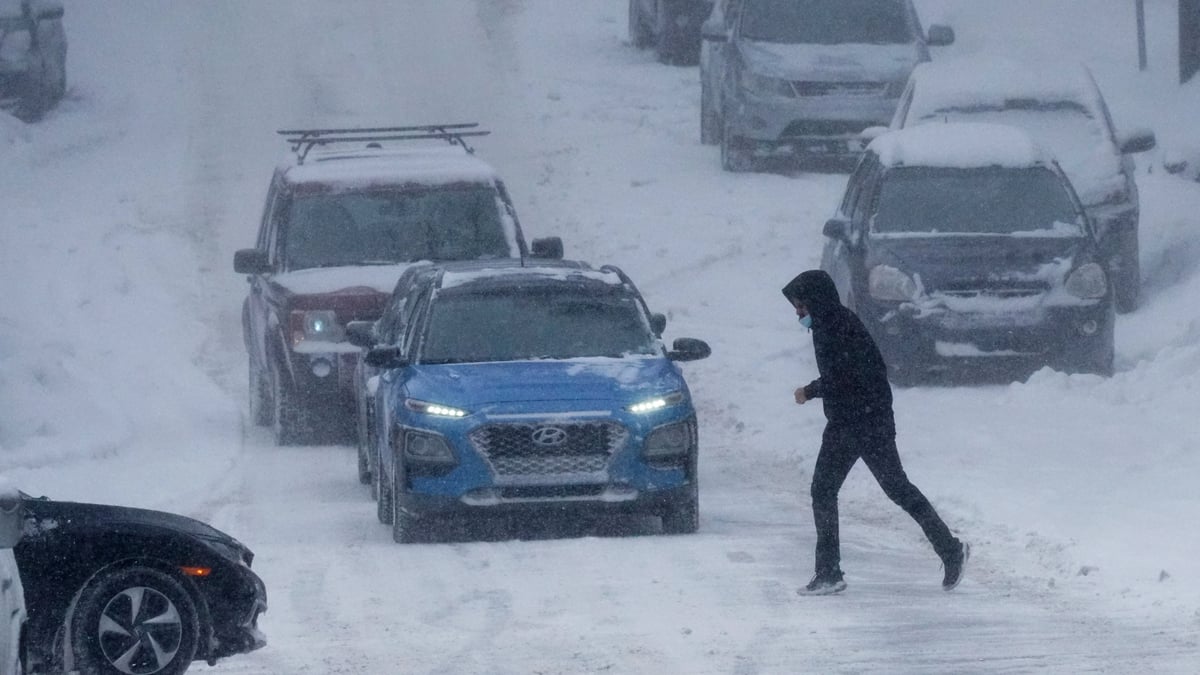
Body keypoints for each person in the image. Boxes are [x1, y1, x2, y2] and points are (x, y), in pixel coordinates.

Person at [782, 269, 968, 595]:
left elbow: (843, 376)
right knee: (896, 488)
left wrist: (809, 391)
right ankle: (950, 549)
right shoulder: (835, 322)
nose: (798, 313)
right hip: (867, 419)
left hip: (856, 422)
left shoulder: (833, 327)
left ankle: (828, 573)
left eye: (800, 305)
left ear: (814, 300)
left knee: (825, 491)